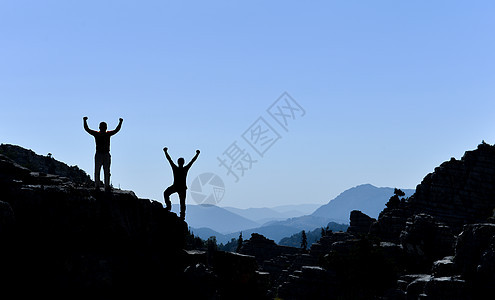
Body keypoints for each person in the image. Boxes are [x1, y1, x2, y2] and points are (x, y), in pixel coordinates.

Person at [83, 116, 123, 191]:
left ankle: (100, 186)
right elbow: (116, 130)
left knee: (102, 171)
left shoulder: (100, 134)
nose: (103, 128)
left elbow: (87, 129)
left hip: (102, 154)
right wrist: (120, 122)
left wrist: (84, 121)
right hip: (102, 154)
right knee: (104, 171)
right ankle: (102, 186)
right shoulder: (104, 134)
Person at [163, 147, 200, 219]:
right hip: (181, 188)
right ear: (183, 163)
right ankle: (182, 215)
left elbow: (169, 159)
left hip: (176, 187)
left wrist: (165, 152)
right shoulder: (185, 169)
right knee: (182, 202)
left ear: (178, 162)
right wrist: (197, 154)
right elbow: (192, 161)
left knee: (166, 193)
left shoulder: (175, 168)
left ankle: (169, 207)